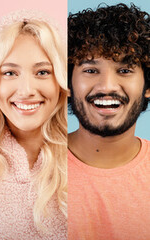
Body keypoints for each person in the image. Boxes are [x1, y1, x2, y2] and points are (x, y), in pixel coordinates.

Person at [67, 3, 150, 239]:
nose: (107, 87)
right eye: (91, 70)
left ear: (147, 86)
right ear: (69, 84)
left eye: (124, 70)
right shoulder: (35, 167)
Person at [0, 11, 67, 239]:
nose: (26, 90)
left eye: (42, 72)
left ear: (59, 81)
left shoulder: (81, 156)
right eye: (10, 72)